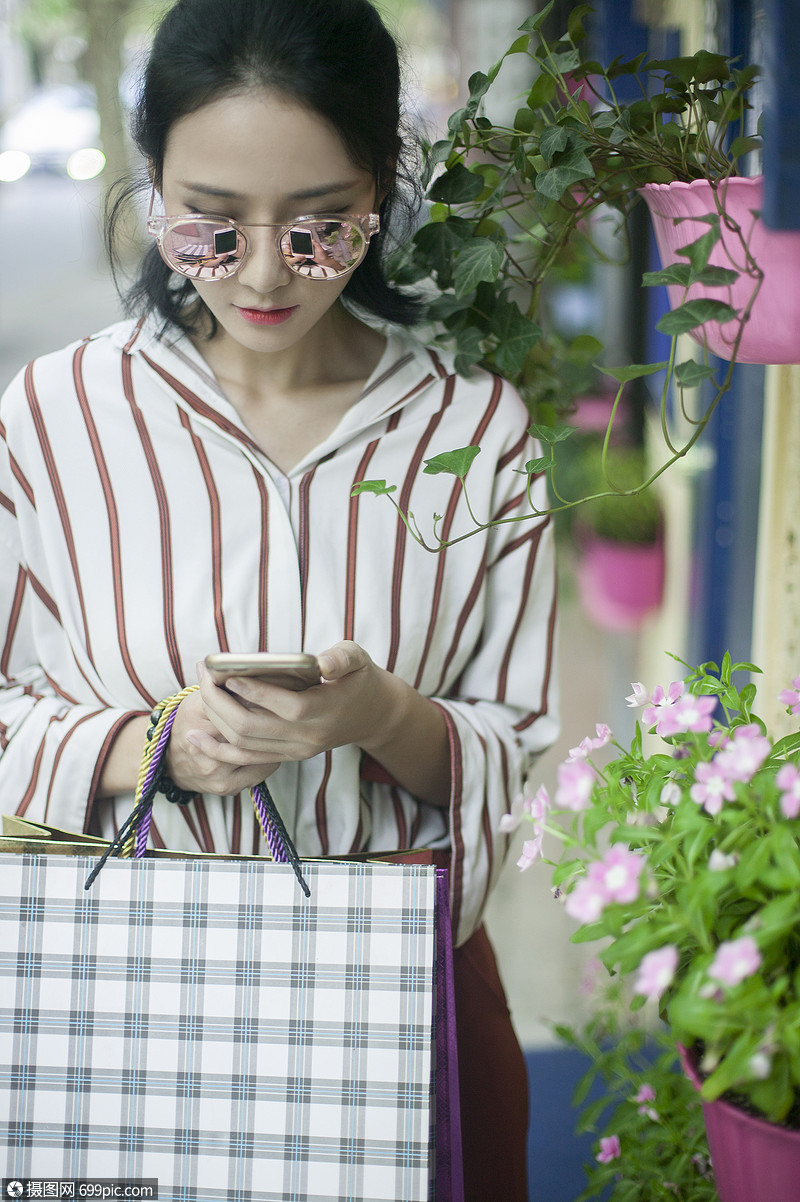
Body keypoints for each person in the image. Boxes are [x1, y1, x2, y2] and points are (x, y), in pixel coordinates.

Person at [0, 0, 559, 1196]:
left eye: (319, 230)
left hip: (399, 1021)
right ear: (152, 189)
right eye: (209, 226)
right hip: (110, 1007)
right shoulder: (52, 418)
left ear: (379, 195)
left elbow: (516, 745)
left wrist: (379, 718)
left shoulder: (472, 431)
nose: (261, 273)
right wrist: (147, 743)